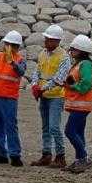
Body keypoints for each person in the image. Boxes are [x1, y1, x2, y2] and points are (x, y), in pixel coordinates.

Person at [29, 25, 71, 169]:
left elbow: (59, 79)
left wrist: (41, 89)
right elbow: (37, 71)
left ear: (57, 41)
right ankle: (46, 155)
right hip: (44, 96)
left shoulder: (64, 57)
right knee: (45, 127)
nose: (46, 41)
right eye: (46, 38)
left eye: (49, 39)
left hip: (56, 96)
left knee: (54, 127)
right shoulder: (42, 54)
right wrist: (35, 85)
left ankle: (60, 156)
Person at [0, 30, 27, 167]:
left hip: (9, 98)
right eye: (7, 44)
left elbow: (21, 71)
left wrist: (12, 62)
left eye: (10, 45)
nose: (7, 46)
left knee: (10, 126)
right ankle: (1, 153)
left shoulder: (19, 59)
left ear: (16, 47)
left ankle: (15, 155)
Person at [62, 34, 92, 174]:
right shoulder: (80, 64)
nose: (71, 52)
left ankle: (83, 158)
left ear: (81, 51)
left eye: (73, 49)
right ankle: (80, 160)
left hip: (81, 106)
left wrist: (72, 86)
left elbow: (86, 85)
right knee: (78, 132)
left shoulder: (85, 65)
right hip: (80, 105)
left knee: (70, 131)